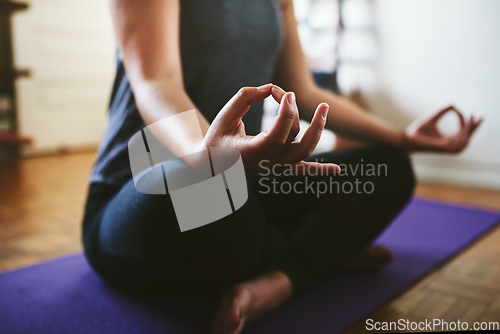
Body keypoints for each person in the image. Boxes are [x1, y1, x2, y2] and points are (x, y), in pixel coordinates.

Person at [82, 1, 482, 333]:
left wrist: (403, 138)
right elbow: (155, 80)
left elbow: (305, 92)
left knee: (387, 168)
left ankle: (279, 280)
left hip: (239, 187)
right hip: (144, 191)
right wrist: (211, 157)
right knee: (221, 213)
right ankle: (320, 245)